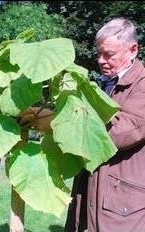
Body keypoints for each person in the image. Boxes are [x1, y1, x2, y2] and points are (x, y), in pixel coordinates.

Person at [22, 17, 145, 232]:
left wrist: (55, 122)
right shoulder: (105, 83)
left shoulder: (142, 85)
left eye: (109, 54)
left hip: (123, 204)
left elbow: (122, 132)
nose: (101, 60)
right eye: (99, 53)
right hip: (93, 192)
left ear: (133, 50)